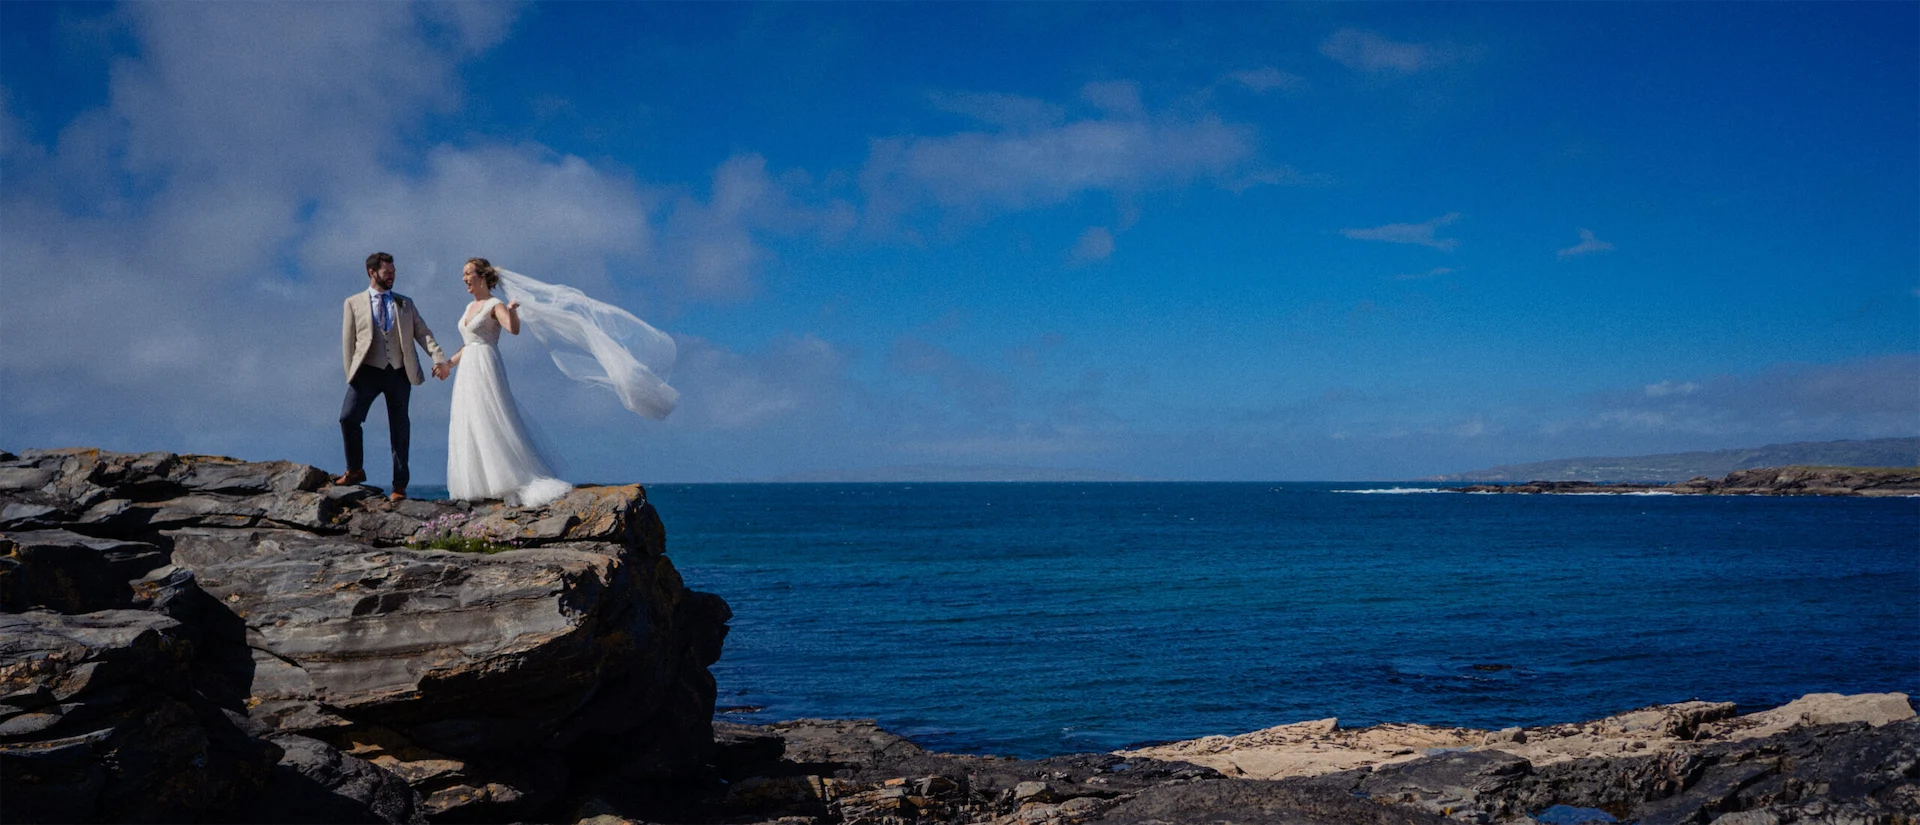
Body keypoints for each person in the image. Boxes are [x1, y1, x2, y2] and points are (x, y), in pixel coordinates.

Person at [443, 257, 573, 507]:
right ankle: (478, 484)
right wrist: (448, 364)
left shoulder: (494, 304)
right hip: (467, 368)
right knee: (469, 418)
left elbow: (513, 329)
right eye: (463, 274)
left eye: (468, 273)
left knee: (489, 416)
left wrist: (512, 311)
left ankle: (506, 479)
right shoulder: (469, 307)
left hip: (485, 365)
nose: (464, 279)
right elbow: (468, 343)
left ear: (482, 276)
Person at [337, 252, 449, 501]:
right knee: (348, 418)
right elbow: (348, 342)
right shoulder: (353, 303)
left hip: (399, 372)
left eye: (393, 272)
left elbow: (423, 333)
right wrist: (350, 374)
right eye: (387, 273)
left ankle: (399, 486)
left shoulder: (405, 303)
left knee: (400, 427)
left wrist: (438, 357)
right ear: (372, 272)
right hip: (367, 371)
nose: (392, 277)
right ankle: (354, 470)